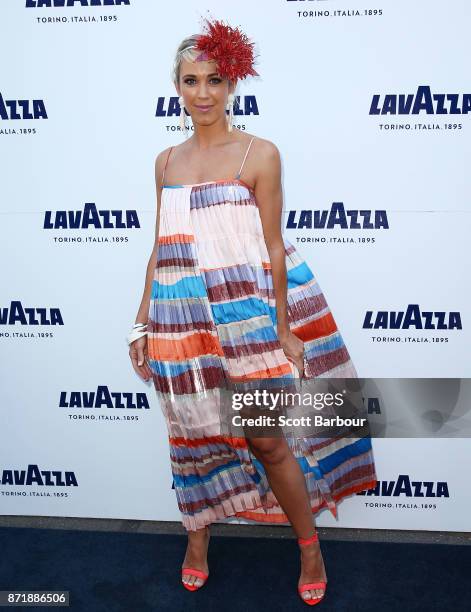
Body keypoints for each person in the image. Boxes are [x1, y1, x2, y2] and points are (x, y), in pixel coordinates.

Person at [128, 17, 378, 606]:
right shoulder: (164, 163)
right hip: (180, 319)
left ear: (232, 83)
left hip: (247, 318)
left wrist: (284, 329)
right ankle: (197, 543)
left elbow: (272, 247)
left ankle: (310, 545)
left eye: (215, 80)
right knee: (194, 436)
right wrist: (142, 323)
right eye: (191, 81)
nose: (204, 93)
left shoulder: (259, 154)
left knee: (267, 440)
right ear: (178, 88)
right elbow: (161, 249)